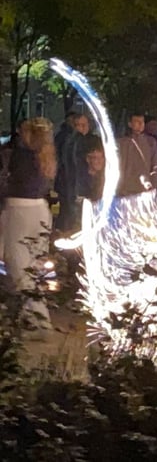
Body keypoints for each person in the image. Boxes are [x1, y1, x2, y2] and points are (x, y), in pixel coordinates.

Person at [0, 118, 57, 332]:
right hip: (40, 210)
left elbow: (6, 184)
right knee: (34, 264)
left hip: (18, 210)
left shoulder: (18, 156)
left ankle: (38, 316)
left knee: (16, 262)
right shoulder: (46, 157)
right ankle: (27, 315)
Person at [56, 113, 90, 231]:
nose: (83, 128)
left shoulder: (68, 140)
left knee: (68, 216)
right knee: (75, 218)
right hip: (76, 186)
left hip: (69, 185)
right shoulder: (78, 141)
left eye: (84, 125)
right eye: (80, 125)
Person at [116, 112, 157, 196]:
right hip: (126, 191)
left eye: (142, 121)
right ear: (130, 124)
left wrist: (154, 188)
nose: (140, 124)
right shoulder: (121, 143)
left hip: (145, 190)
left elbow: (155, 166)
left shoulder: (150, 142)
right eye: (137, 121)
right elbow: (119, 166)